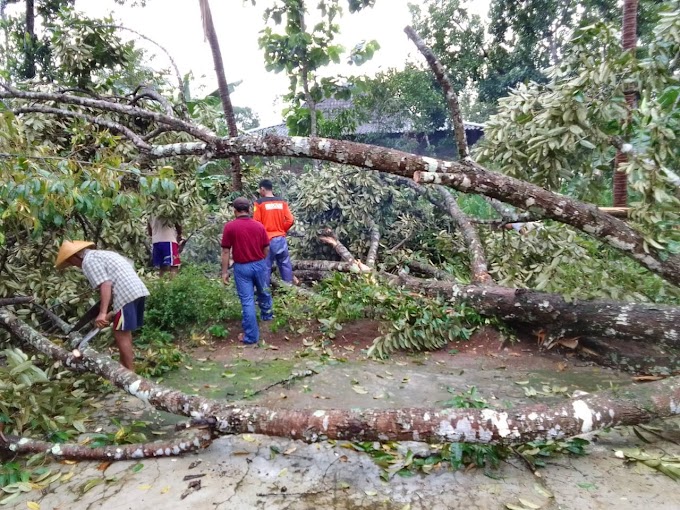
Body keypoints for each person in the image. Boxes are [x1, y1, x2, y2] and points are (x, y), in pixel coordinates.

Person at [55, 241, 149, 371]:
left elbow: (106, 284)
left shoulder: (89, 261)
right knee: (123, 331)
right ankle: (124, 369)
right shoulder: (100, 255)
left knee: (120, 333)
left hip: (125, 293)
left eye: (72, 263)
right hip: (136, 290)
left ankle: (130, 374)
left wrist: (102, 313)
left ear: (75, 257)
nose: (74, 266)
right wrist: (110, 312)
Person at [221, 197, 273, 345]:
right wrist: (260, 260)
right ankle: (267, 318)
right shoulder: (259, 226)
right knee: (264, 291)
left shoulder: (230, 227)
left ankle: (251, 337)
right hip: (259, 264)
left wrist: (224, 272)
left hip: (242, 267)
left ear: (235, 211)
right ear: (249, 210)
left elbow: (226, 252)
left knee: (247, 301)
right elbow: (266, 248)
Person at [253, 179, 295, 285]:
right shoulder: (282, 202)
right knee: (285, 265)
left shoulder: (259, 203)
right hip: (281, 239)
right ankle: (289, 291)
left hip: (266, 240)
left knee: (265, 267)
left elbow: (256, 224)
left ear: (262, 189)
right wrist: (281, 230)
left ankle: (264, 294)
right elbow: (290, 220)